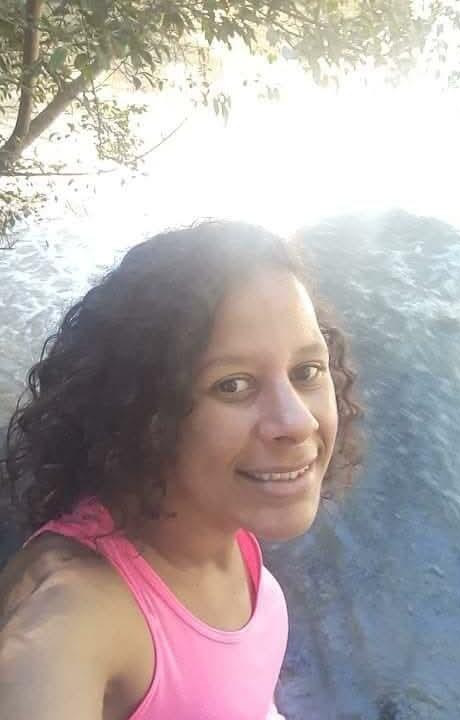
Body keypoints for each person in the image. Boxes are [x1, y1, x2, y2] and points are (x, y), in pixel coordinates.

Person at [0, 219, 361, 719]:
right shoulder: (78, 617)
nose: (298, 422)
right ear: (142, 408)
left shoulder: (218, 532)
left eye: (307, 372)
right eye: (233, 385)